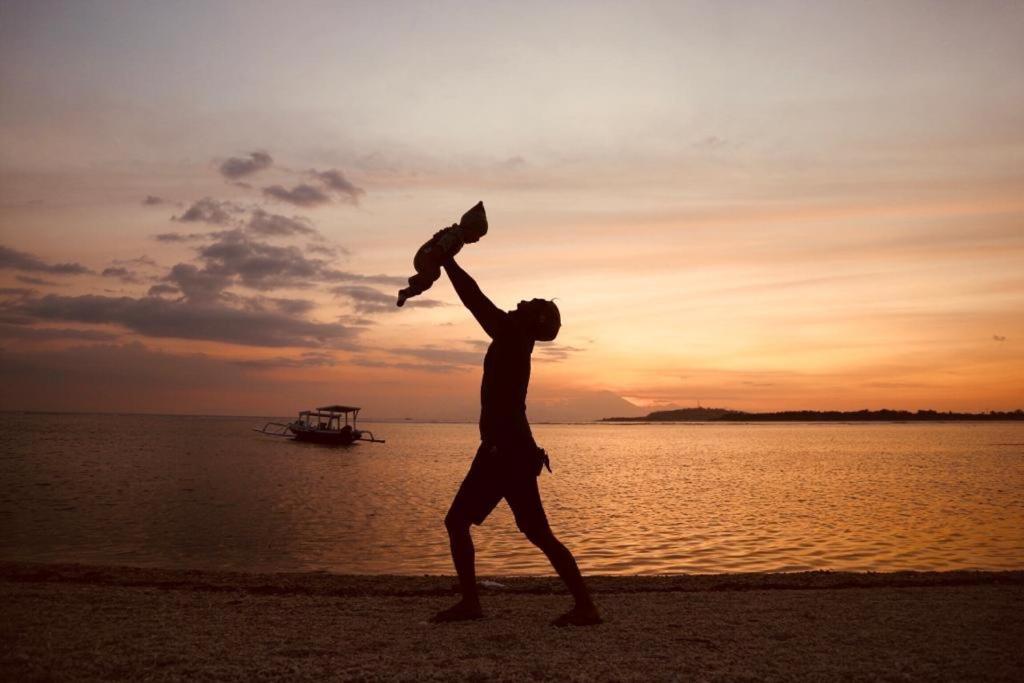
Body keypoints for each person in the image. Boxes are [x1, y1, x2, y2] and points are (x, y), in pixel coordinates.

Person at [431, 256, 601, 627]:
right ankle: (585, 606)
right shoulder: (516, 338)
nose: (522, 302)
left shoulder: (511, 334)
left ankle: (472, 604)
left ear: (533, 321)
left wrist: (448, 261)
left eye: (531, 304)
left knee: (458, 522)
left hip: (503, 453)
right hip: (513, 452)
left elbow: (474, 299)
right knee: (537, 533)